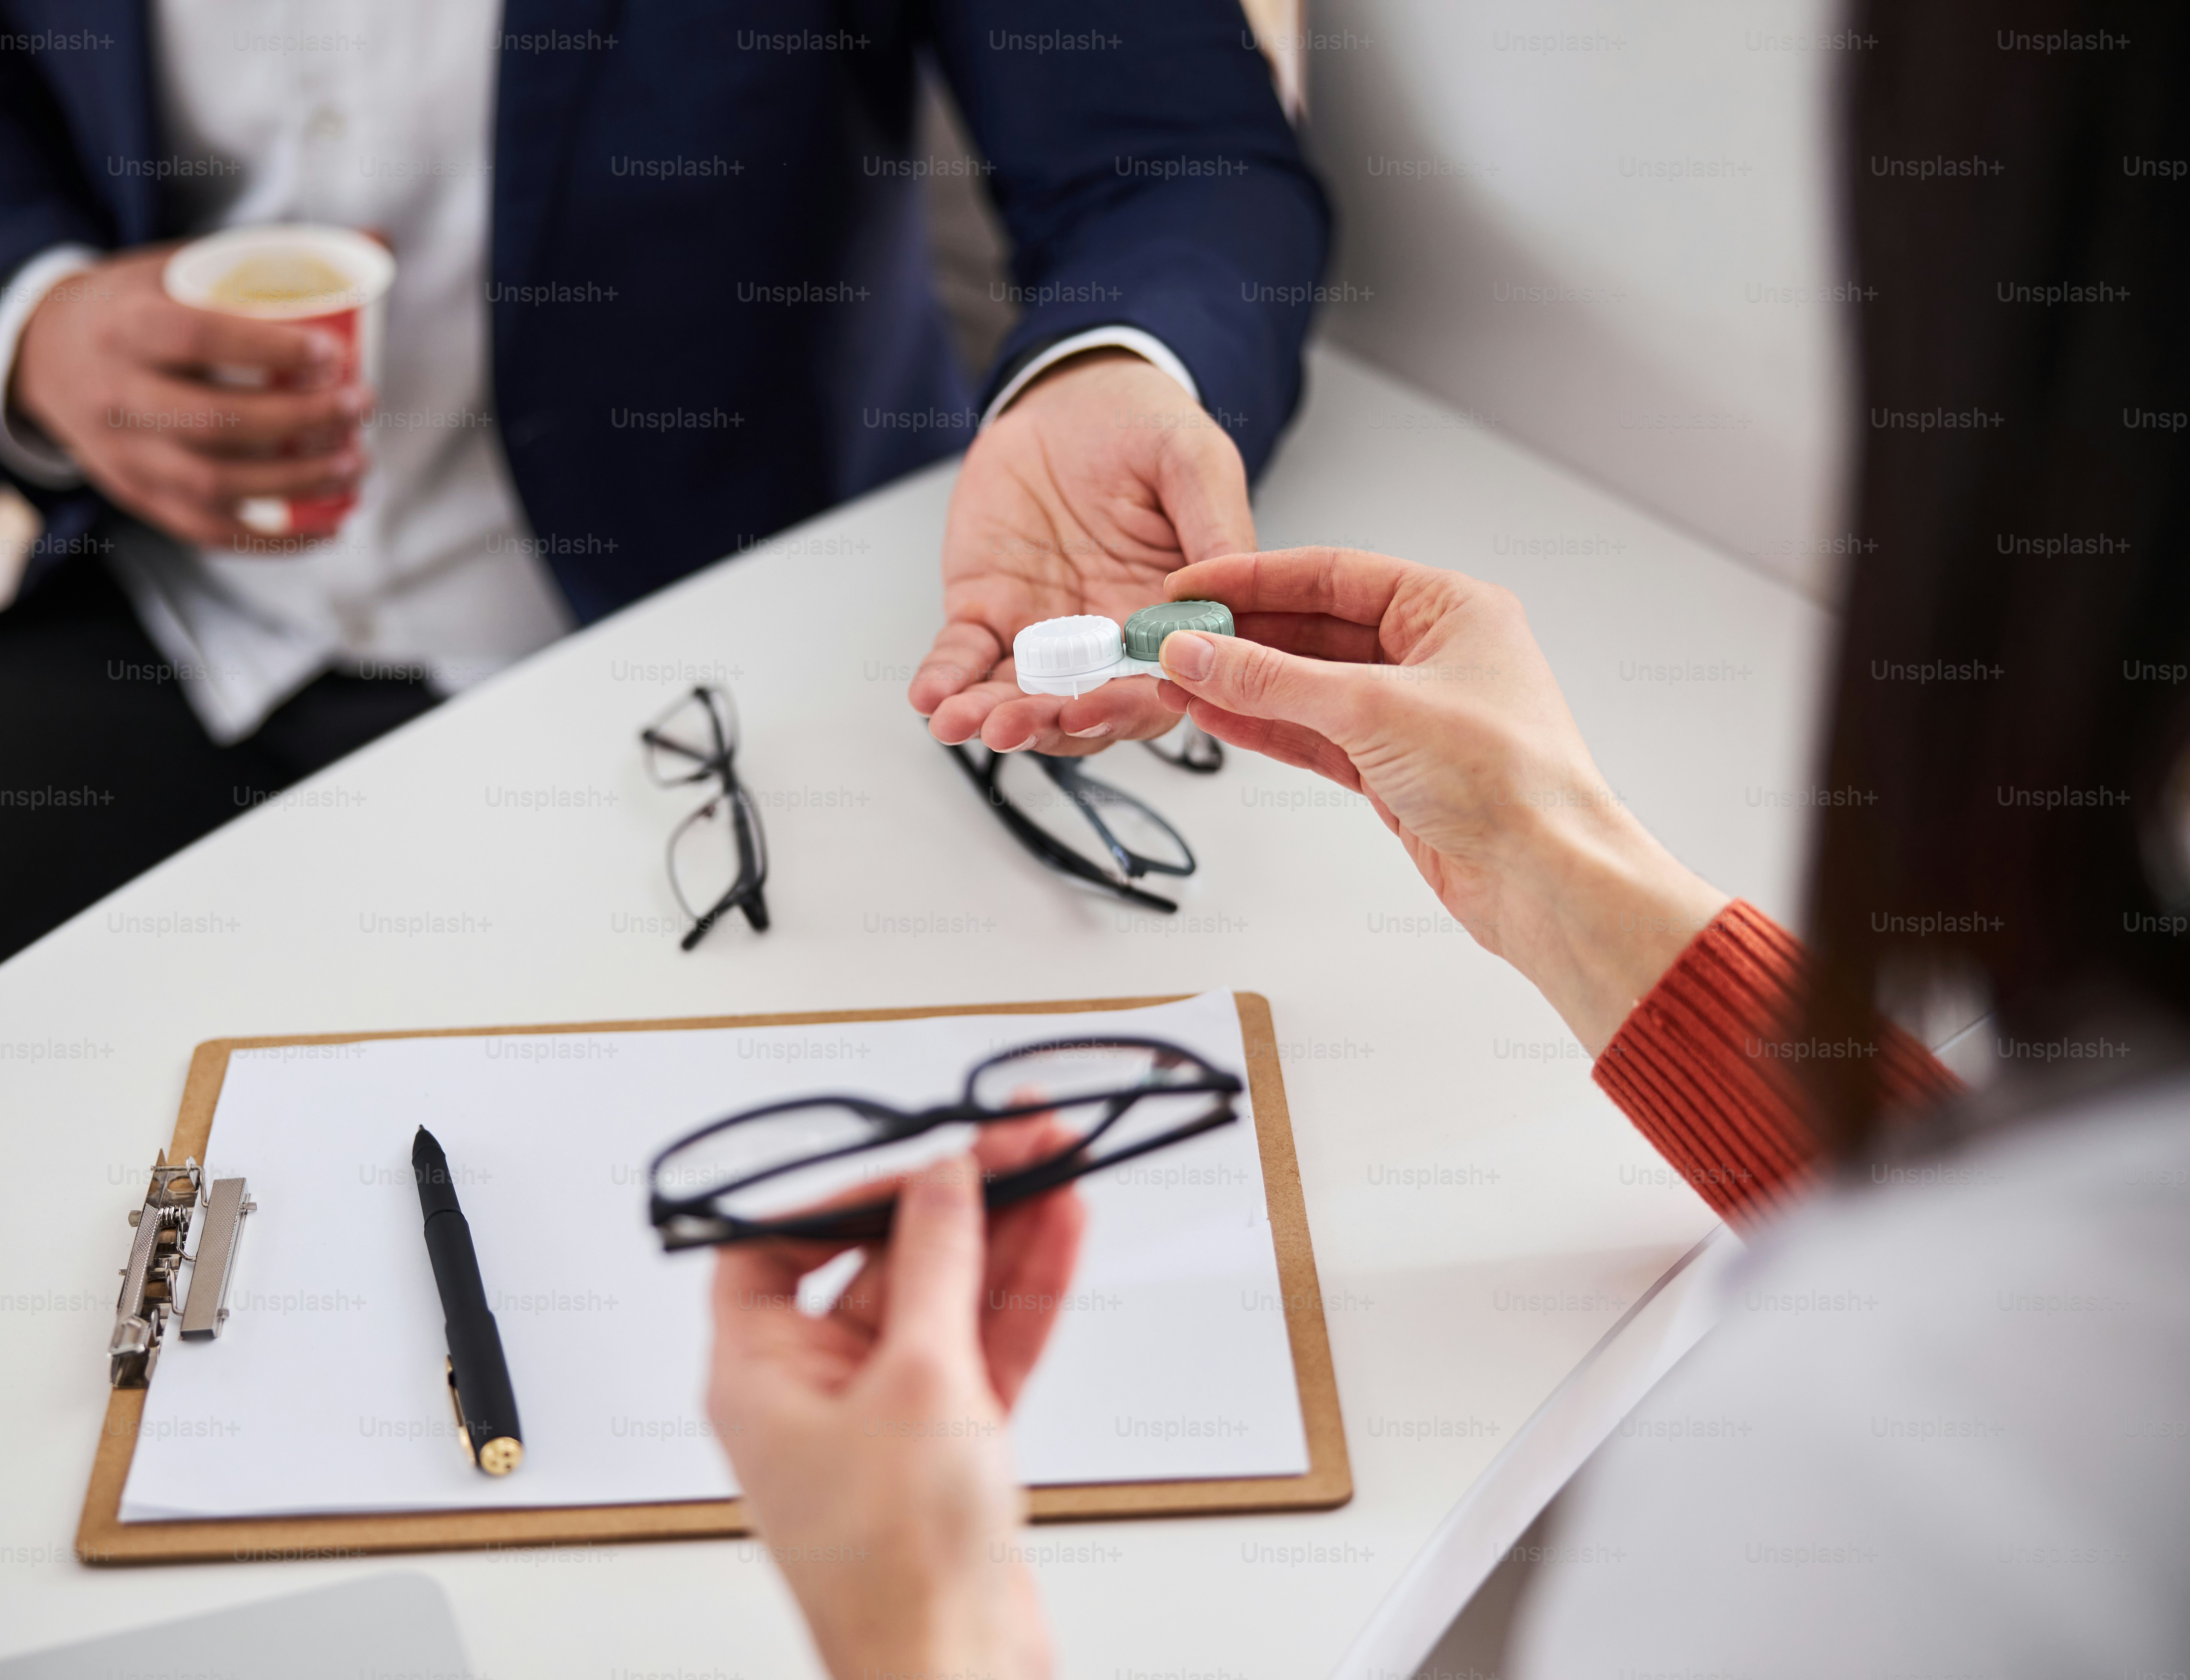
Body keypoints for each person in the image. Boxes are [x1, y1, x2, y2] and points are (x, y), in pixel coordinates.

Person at [713, 0, 2190, 1672]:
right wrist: (1546, 859)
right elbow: (2021, 1275)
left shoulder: (1895, 1500)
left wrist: (928, 1619)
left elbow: (2000, 1335)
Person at [0, 2, 1328, 1181]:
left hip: (706, 686)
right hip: (161, 637)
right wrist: (34, 316)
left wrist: (1109, 372)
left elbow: (1178, 156)